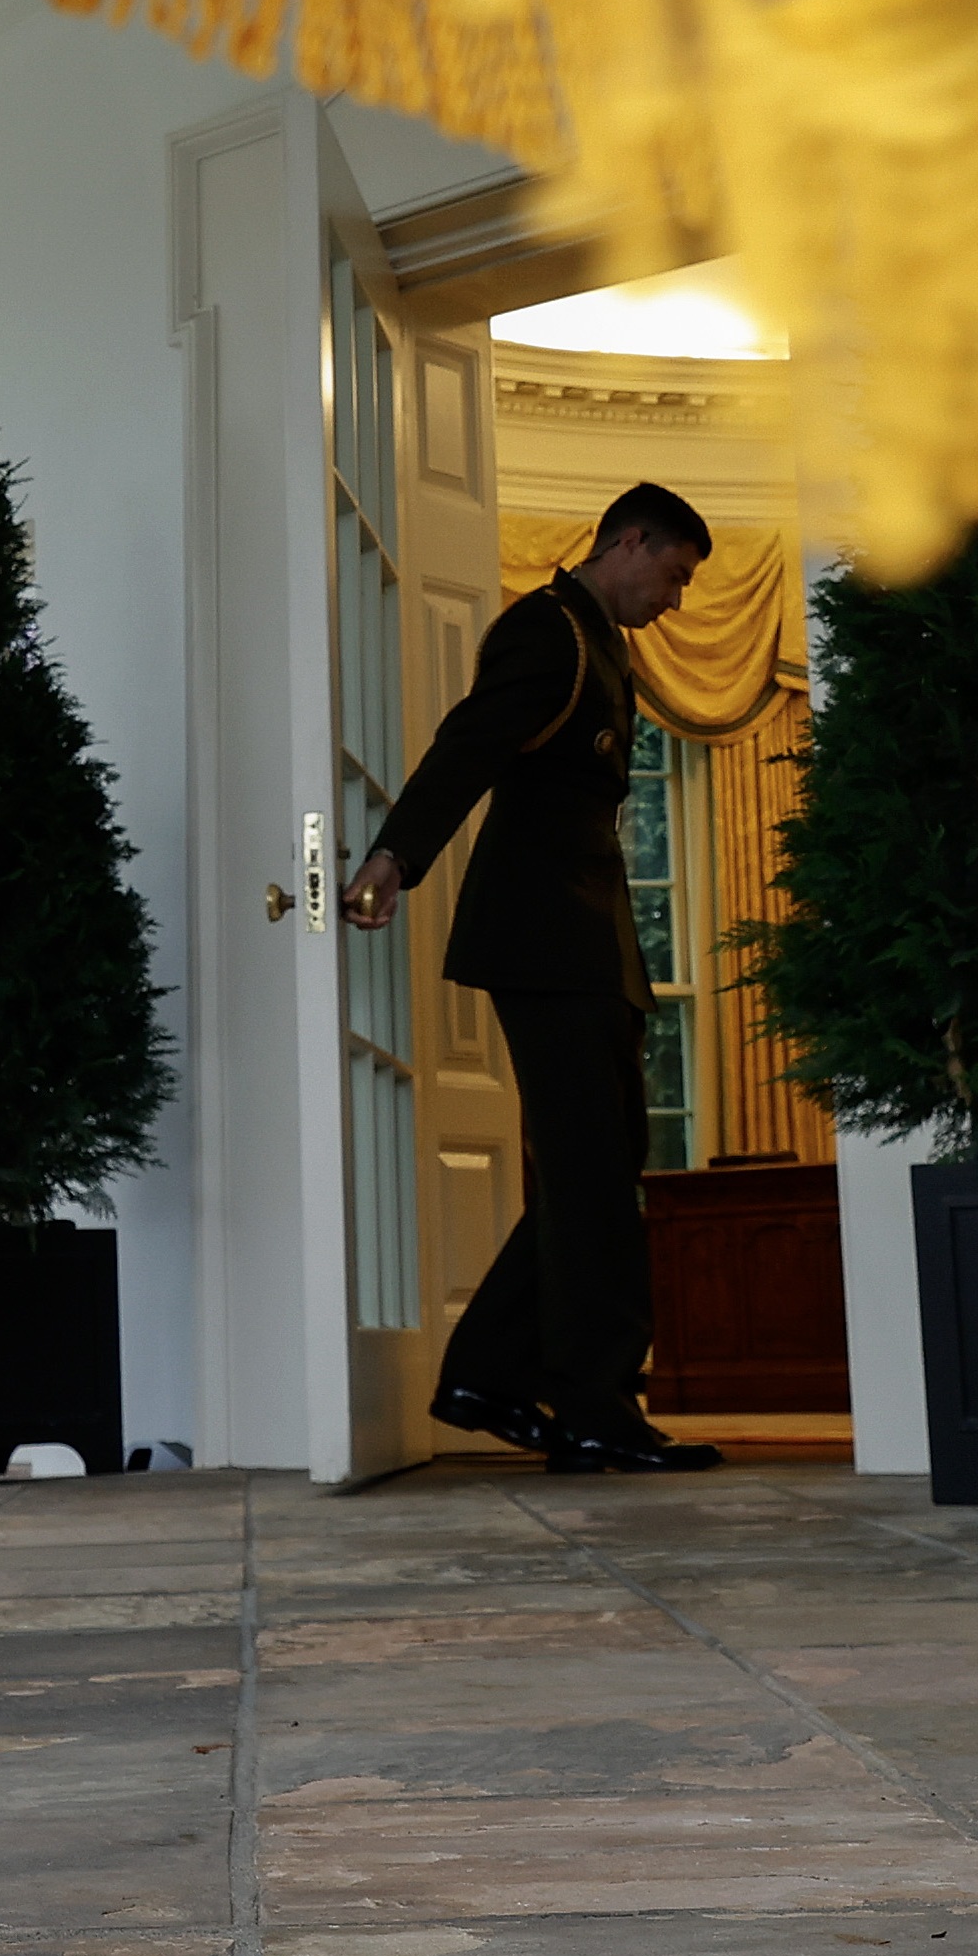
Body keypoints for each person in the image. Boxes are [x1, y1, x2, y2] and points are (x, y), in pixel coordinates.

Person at [341, 480, 720, 1475]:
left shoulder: (601, 643)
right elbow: (469, 744)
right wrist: (395, 856)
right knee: (590, 1174)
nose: (674, 599)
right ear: (628, 543)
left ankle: (488, 1376)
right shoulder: (548, 631)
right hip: (545, 940)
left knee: (600, 1167)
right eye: (674, 575)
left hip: (587, 944)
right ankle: (595, 1409)